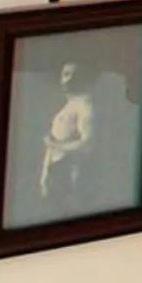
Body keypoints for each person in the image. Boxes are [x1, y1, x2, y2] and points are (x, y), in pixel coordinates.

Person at [38, 62, 96, 207]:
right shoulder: (68, 105)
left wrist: (55, 145)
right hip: (57, 170)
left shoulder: (85, 106)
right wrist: (44, 176)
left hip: (71, 173)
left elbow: (88, 144)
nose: (67, 79)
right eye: (65, 74)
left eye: (72, 74)